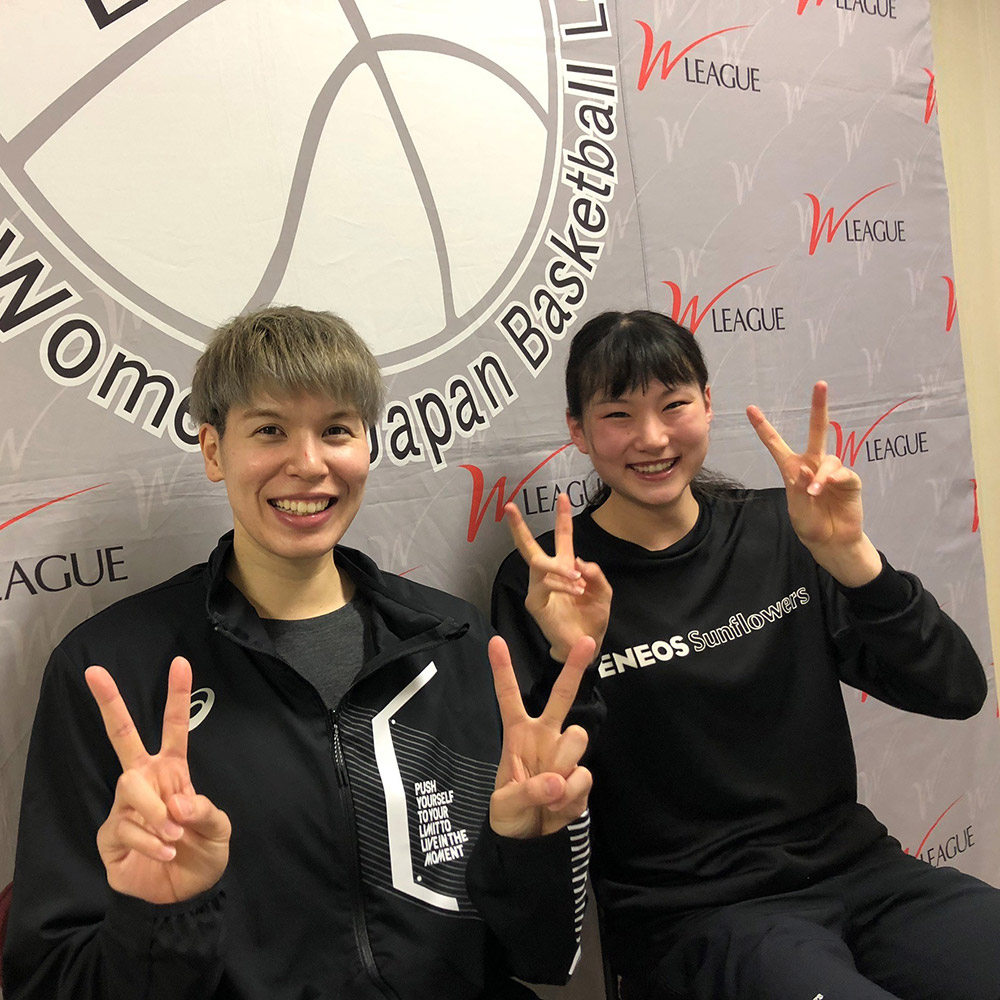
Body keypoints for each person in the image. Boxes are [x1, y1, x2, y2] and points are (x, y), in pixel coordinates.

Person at [3, 305, 596, 1000]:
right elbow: (48, 978)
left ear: (367, 445)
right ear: (214, 450)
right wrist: (161, 918)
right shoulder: (113, 668)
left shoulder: (455, 640)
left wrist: (531, 848)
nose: (309, 464)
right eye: (270, 430)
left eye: (336, 429)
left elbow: (542, 955)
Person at [491, 309, 1000, 1000]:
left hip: (863, 874)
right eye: (617, 415)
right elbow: (552, 796)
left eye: (674, 405)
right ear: (578, 431)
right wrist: (571, 655)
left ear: (707, 403)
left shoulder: (784, 528)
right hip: (697, 917)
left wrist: (857, 562)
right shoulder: (550, 582)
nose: (651, 437)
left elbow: (957, 690)